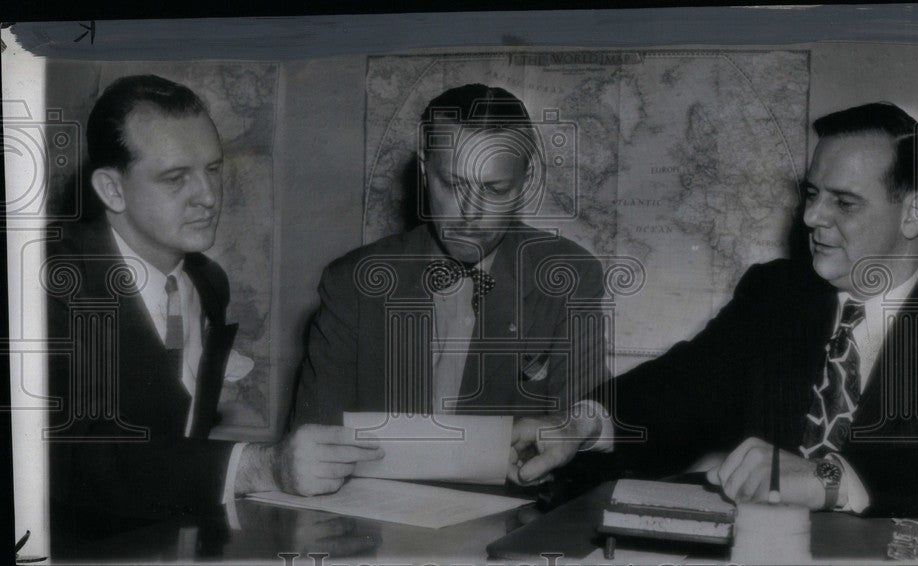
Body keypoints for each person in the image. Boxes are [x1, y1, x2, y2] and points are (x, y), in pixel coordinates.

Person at [510, 102, 918, 518]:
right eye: (812, 194)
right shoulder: (776, 293)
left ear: (914, 211)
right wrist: (581, 424)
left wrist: (829, 479)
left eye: (844, 202)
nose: (811, 217)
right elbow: (682, 387)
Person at [45, 75, 385, 541]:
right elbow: (69, 457)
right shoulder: (46, 284)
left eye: (213, 169)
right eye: (175, 178)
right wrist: (257, 467)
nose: (208, 196)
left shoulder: (207, 282)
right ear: (112, 189)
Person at [287, 84, 606, 492]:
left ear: (524, 181)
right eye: (453, 185)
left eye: (495, 189)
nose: (471, 214)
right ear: (424, 169)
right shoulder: (351, 282)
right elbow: (313, 450)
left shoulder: (569, 277)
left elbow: (576, 436)